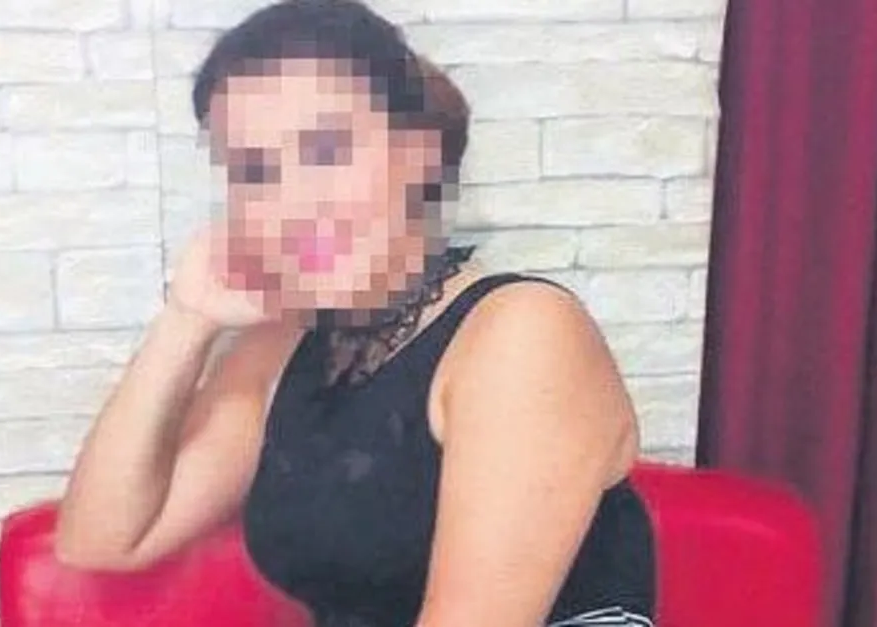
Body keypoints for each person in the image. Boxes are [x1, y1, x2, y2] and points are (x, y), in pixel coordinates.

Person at [54, 1, 656, 625]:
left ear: (420, 154)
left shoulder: (522, 334)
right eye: (255, 172)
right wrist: (187, 321)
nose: (292, 203)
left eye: (327, 151)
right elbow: (101, 541)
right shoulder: (281, 346)